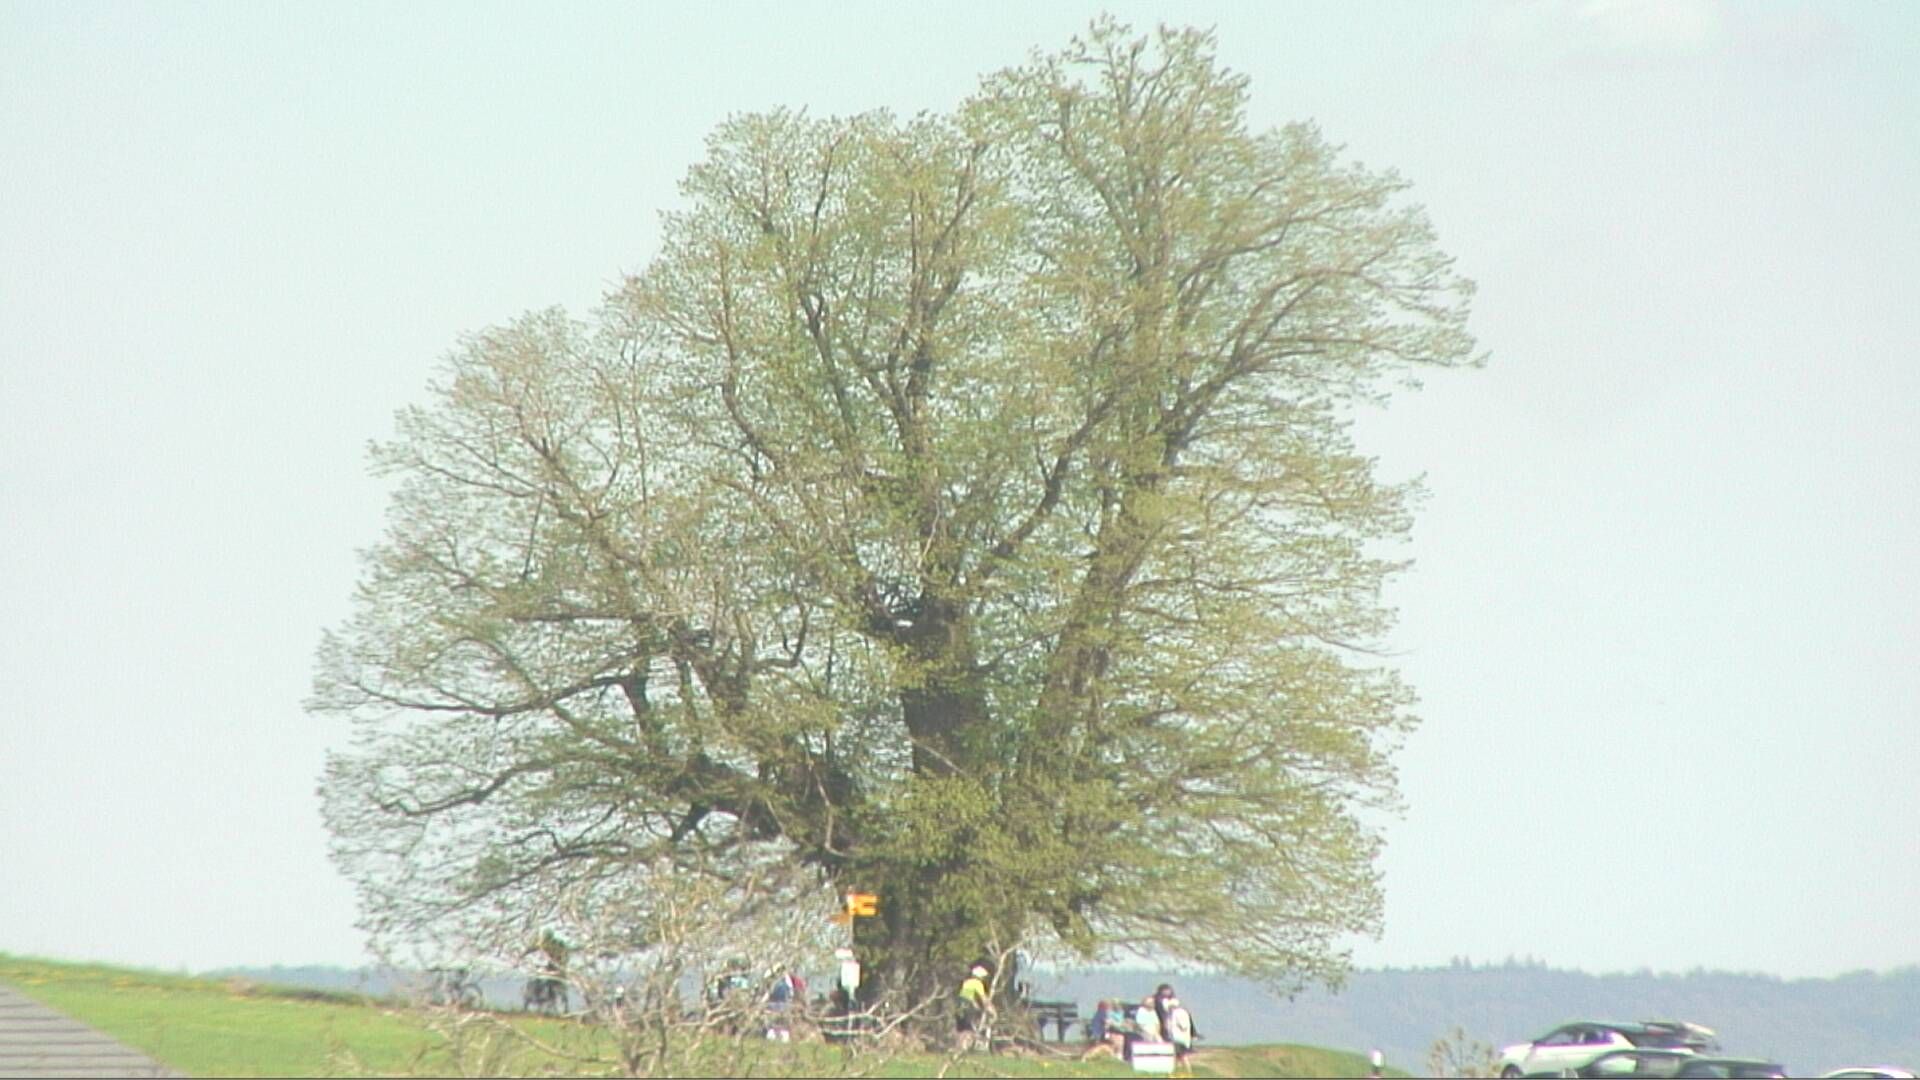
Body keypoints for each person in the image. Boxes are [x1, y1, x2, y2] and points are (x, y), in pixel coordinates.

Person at [955, 963, 994, 1050]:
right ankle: (964, 1049)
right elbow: (984, 999)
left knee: (960, 1029)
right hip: (966, 1007)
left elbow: (966, 995)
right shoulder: (977, 983)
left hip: (958, 1006)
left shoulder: (967, 982)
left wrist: (975, 1005)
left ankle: (959, 1048)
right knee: (968, 1030)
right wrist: (992, 1010)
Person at [1165, 994, 1198, 1073]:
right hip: (1180, 1038)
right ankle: (1174, 1072)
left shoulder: (1178, 1013)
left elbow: (1183, 1025)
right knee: (1178, 1056)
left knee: (1182, 1056)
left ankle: (1187, 1072)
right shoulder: (1178, 1012)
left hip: (1179, 1038)